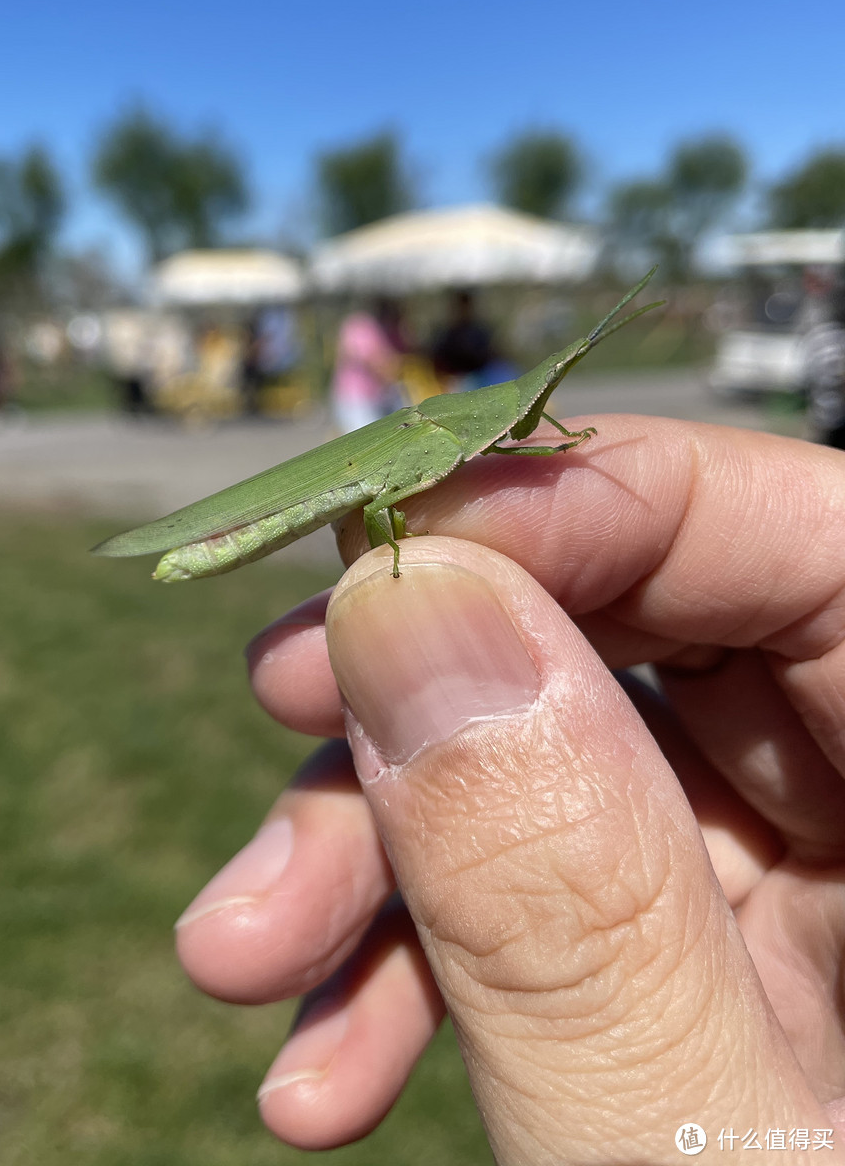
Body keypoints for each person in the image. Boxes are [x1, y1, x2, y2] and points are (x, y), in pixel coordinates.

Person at [176, 417, 845, 1157]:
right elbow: (376, 510)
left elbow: (439, 478)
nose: (538, 416)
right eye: (530, 408)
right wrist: (396, 557)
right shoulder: (437, 438)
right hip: (265, 513)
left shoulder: (472, 436)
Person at [330, 301, 405, 435]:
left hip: (371, 396)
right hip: (357, 396)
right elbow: (371, 359)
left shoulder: (383, 328)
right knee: (368, 439)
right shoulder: (362, 326)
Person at [802, 284, 845, 448]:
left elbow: (803, 376)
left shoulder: (815, 336)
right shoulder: (840, 338)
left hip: (818, 415)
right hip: (839, 419)